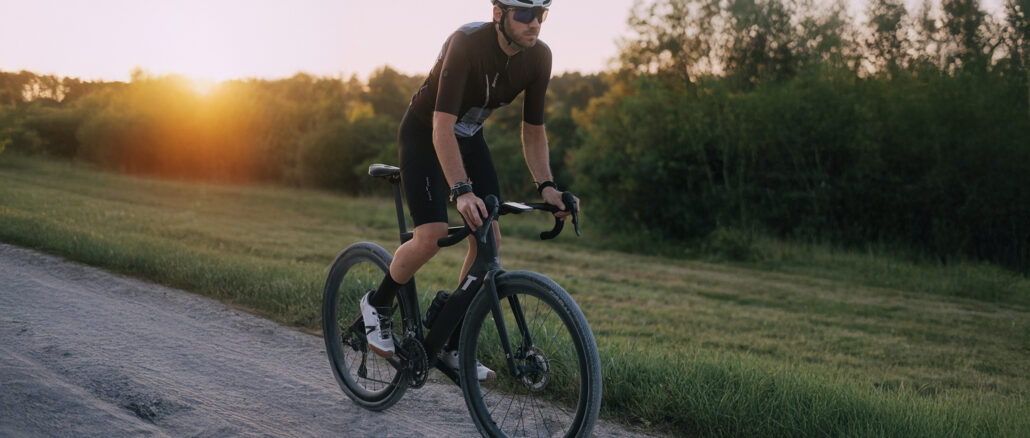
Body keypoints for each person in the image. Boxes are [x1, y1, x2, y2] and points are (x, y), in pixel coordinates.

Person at [359, 0, 578, 381]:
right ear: (499, 13)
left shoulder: (539, 57)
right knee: (432, 236)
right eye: (524, 13)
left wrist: (547, 187)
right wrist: (461, 190)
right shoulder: (466, 43)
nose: (534, 23)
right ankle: (376, 305)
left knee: (488, 236)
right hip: (426, 133)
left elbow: (533, 130)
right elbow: (441, 126)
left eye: (541, 14)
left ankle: (450, 343)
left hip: (470, 136)